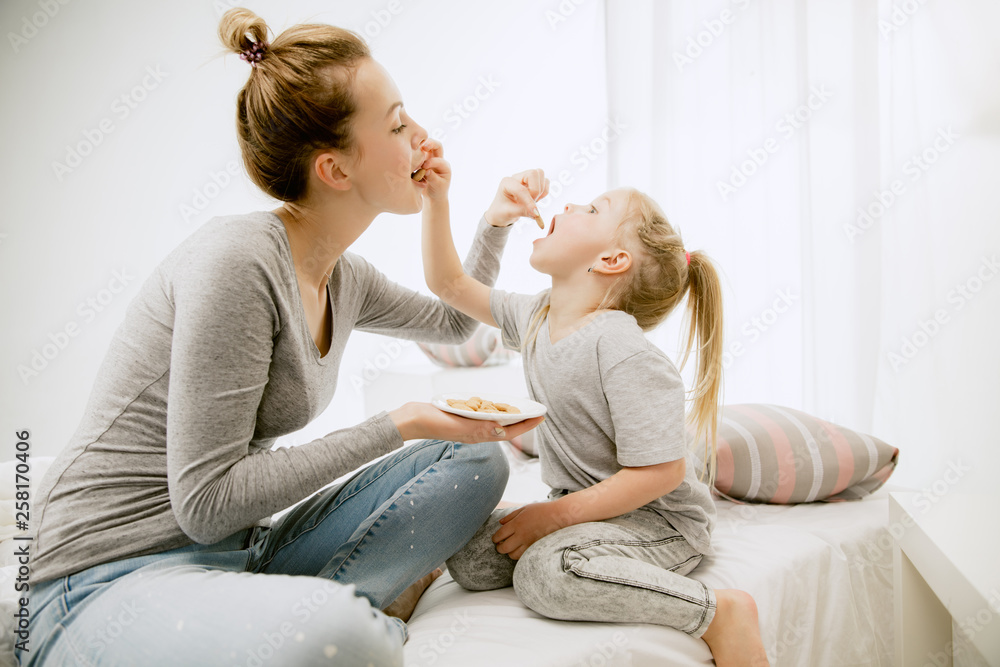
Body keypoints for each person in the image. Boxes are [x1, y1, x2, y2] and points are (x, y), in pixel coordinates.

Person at [20, 9, 545, 667]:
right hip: (103, 577)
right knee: (339, 638)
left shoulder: (341, 275)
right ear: (334, 170)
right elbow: (208, 503)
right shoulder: (238, 263)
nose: (420, 135)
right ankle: (353, 622)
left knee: (474, 460)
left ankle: (278, 613)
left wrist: (475, 216)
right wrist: (399, 422)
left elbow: (455, 322)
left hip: (239, 556)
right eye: (396, 123)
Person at [419, 161, 771, 665]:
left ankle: (719, 613)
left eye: (591, 208)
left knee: (547, 572)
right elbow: (450, 285)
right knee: (469, 554)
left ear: (611, 259)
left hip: (658, 523)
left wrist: (552, 517)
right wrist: (469, 211)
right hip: (587, 510)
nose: (567, 206)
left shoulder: (623, 349)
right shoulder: (537, 314)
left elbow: (661, 472)